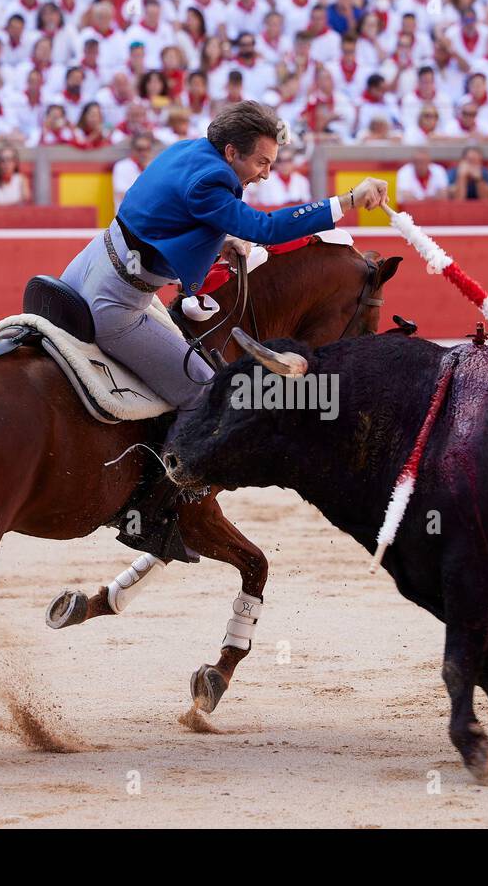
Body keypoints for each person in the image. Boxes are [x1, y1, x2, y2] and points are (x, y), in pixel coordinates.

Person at [55, 100, 386, 557]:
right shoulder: (214, 181)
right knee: (206, 392)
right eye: (261, 162)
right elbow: (267, 228)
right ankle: (159, 509)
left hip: (88, 264)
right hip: (118, 302)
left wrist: (218, 239)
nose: (266, 174)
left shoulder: (188, 151)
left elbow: (164, 214)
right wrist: (346, 201)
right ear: (232, 152)